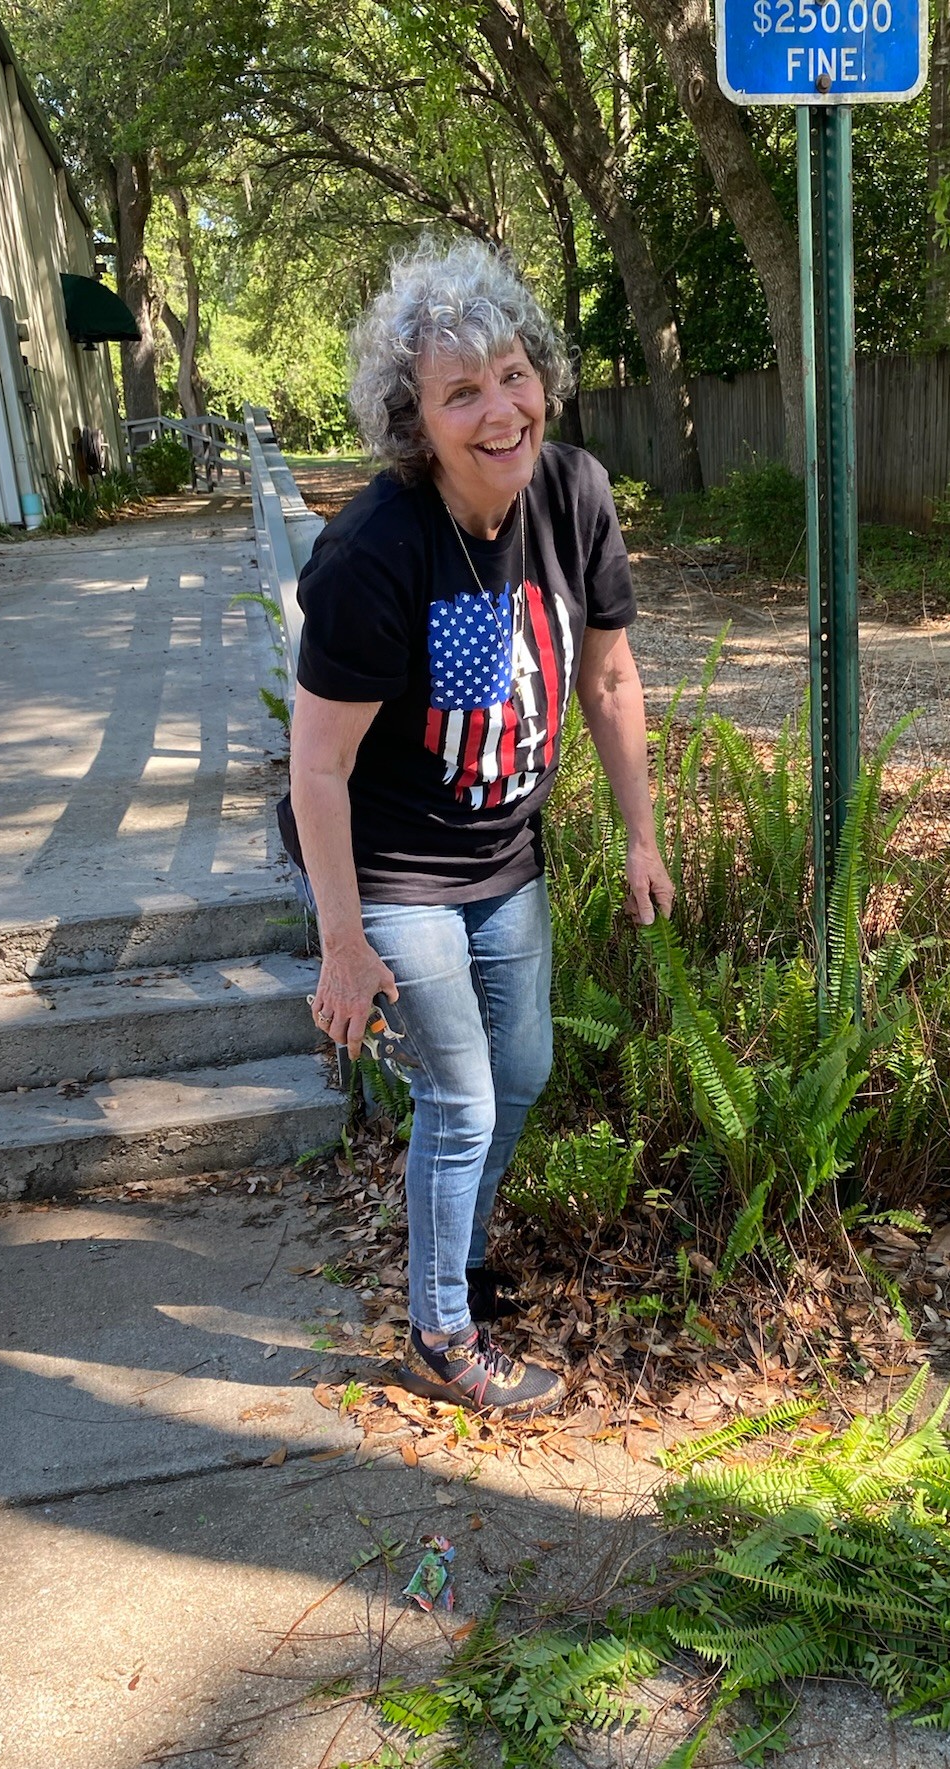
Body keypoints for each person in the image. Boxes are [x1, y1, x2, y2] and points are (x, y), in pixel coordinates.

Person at [287, 236, 675, 1416]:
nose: (501, 410)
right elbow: (318, 763)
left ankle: (444, 1264)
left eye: (513, 374)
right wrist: (343, 942)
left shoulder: (577, 495)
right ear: (416, 421)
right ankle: (441, 1334)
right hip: (392, 865)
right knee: (461, 1097)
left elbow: (608, 677)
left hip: (506, 858)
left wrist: (643, 834)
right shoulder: (373, 552)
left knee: (523, 1071)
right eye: (462, 392)